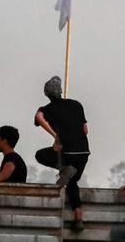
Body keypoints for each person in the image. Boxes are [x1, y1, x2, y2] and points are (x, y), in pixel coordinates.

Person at [34, 76, 90, 231]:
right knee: (72, 182)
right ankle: (78, 218)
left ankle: (64, 167)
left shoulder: (46, 109)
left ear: (47, 94)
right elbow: (85, 130)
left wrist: (55, 136)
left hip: (68, 152)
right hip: (84, 152)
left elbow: (39, 118)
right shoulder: (77, 104)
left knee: (40, 155)